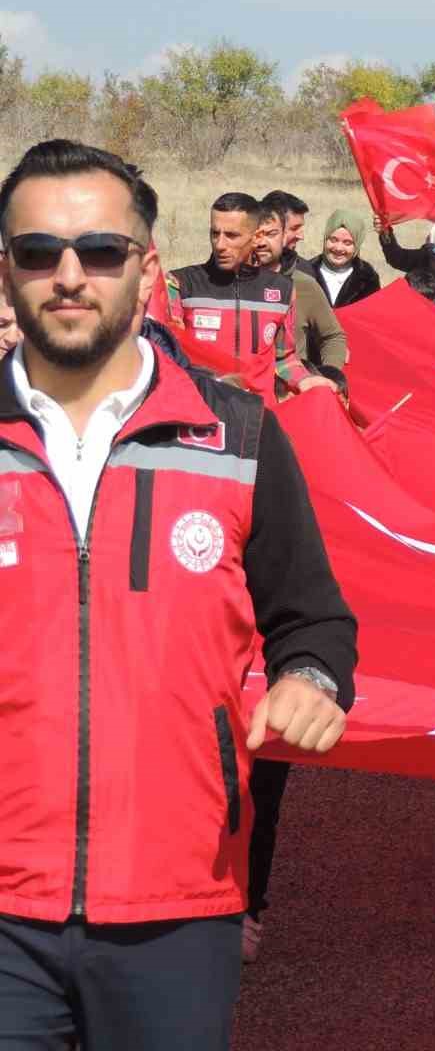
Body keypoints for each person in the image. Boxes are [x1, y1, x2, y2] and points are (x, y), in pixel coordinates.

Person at [0, 138, 357, 1047]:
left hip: (180, 902)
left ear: (147, 267)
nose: (69, 275)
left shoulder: (237, 437)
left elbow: (311, 616)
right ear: (7, 269)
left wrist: (312, 678)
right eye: (38, 252)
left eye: (101, 252)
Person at [164, 193, 336, 397]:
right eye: (214, 233)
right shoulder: (179, 283)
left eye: (231, 235)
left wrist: (305, 380)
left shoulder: (283, 289)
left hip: (259, 417)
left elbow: (284, 359)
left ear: (256, 237)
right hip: (204, 413)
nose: (220, 244)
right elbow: (167, 354)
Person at [252, 197, 348, 374]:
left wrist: (328, 378)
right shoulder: (227, 280)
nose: (262, 242)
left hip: (291, 391)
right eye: (258, 234)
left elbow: (333, 337)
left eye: (270, 234)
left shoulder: (304, 283)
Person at [307, 209, 382, 309]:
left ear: (357, 245)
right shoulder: (305, 272)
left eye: (347, 243)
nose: (338, 248)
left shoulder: (368, 278)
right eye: (333, 240)